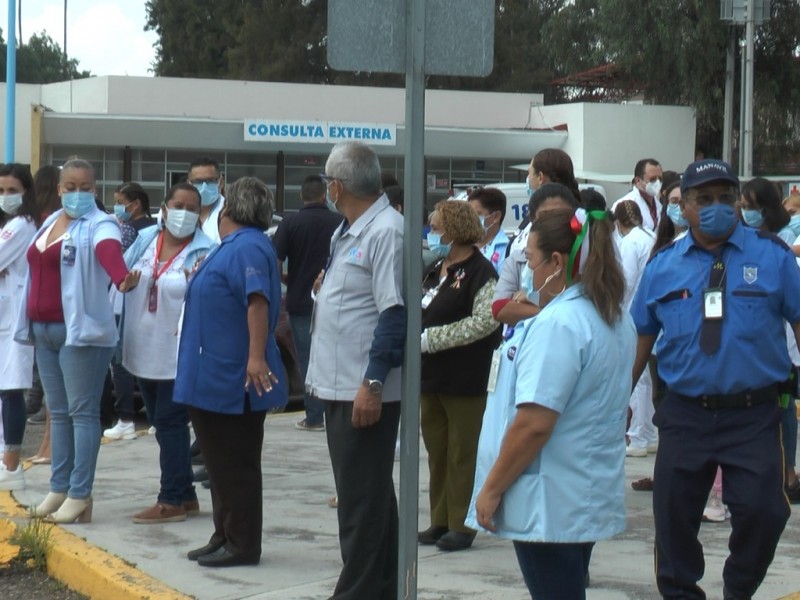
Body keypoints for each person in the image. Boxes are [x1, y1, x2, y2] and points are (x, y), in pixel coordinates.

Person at [630, 159, 800, 599]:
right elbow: (640, 339)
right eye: (703, 199)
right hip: (685, 413)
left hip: (755, 414)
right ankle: (682, 592)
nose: (717, 207)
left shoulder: (774, 257)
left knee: (765, 512)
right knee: (672, 519)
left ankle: (738, 588)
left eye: (726, 198)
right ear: (683, 206)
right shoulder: (663, 266)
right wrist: (616, 401)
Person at [468, 207, 634, 600]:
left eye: (531, 261)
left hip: (549, 499)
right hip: (581, 491)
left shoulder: (559, 323)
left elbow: (534, 423)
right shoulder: (611, 317)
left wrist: (491, 489)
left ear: (557, 262)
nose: (528, 272)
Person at [306, 142, 405, 600]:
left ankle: (359, 592)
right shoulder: (349, 230)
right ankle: (379, 589)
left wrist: (373, 382)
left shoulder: (386, 231)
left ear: (338, 186)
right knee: (371, 500)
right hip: (338, 383)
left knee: (360, 507)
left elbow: (394, 314)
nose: (326, 188)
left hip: (361, 388)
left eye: (328, 180)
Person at [17, 158, 140, 523]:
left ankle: (80, 494)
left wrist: (121, 278)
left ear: (95, 190)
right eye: (70, 187)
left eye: (86, 188)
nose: (78, 194)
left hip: (80, 333)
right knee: (59, 414)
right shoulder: (51, 222)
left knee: (82, 414)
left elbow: (109, 254)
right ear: (59, 190)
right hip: (43, 331)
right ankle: (59, 488)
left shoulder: (101, 225)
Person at [174, 176, 286, 566]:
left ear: (229, 209)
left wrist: (255, 358)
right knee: (219, 467)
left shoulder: (248, 246)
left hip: (232, 379)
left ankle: (242, 544)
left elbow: (257, 301)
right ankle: (224, 534)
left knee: (234, 466)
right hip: (210, 376)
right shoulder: (234, 246)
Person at [121, 183, 215, 523]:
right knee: (162, 426)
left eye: (193, 208)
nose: (184, 214)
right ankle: (187, 494)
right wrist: (123, 282)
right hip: (141, 349)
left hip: (178, 354)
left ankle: (170, 500)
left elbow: (211, 301)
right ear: (164, 207)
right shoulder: (146, 241)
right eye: (179, 205)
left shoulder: (206, 251)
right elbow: (119, 275)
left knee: (172, 424)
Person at [418, 200, 501, 552]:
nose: (431, 232)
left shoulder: (482, 272)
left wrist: (432, 339)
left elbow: (485, 321)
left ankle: (462, 524)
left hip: (465, 375)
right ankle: (440, 519)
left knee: (461, 453)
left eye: (436, 227)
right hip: (430, 376)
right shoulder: (438, 266)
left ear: (454, 231)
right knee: (437, 450)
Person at [272, 174, 343, 432]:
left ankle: (314, 416)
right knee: (334, 357)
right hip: (335, 301)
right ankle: (337, 412)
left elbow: (275, 262)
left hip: (300, 301)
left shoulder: (291, 223)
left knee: (307, 358)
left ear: (302, 196)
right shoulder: (340, 222)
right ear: (325, 196)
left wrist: (284, 279)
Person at [104, 182, 157, 441]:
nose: (117, 207)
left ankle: (125, 418)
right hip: (148, 302)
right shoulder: (156, 230)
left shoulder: (127, 231)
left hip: (121, 301)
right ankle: (155, 416)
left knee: (121, 362)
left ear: (135, 204)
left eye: (119, 201)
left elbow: (111, 261)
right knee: (145, 361)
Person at [0, 164, 40, 490]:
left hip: (15, 321)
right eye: (0, 191)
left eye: (12, 191)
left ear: (26, 192)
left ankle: (12, 466)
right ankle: (4, 459)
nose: (6, 197)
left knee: (12, 390)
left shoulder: (23, 225)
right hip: (4, 319)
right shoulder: (11, 224)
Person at [493, 183, 578, 327]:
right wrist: (557, 314)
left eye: (560, 215)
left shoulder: (583, 258)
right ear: (532, 219)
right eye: (545, 216)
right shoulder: (517, 259)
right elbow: (500, 309)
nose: (553, 221)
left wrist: (528, 303)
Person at [614, 200, 657, 458]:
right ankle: (649, 432)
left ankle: (639, 436)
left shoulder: (630, 242)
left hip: (632, 313)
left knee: (639, 378)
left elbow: (625, 282)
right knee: (648, 379)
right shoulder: (650, 236)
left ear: (619, 223)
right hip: (649, 312)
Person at [612, 158, 663, 232]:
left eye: (660, 179)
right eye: (653, 179)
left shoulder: (660, 204)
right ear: (638, 181)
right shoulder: (623, 205)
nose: (657, 183)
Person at [468, 187, 508, 273]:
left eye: (476, 214)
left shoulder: (507, 250)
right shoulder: (463, 246)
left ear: (496, 216)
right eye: (468, 214)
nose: (469, 219)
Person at [187, 157, 225, 243]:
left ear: (220, 182)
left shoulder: (230, 214)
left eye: (210, 180)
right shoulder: (182, 213)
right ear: (189, 184)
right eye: (198, 181)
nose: (204, 186)